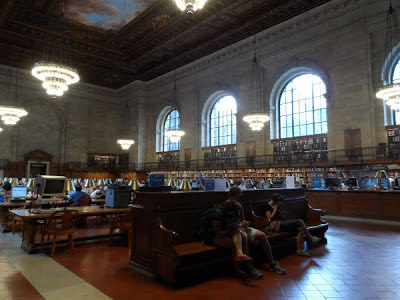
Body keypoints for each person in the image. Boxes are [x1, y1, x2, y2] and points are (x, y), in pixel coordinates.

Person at [225, 187, 286, 275]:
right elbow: (227, 224)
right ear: (235, 194)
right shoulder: (226, 206)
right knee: (244, 237)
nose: (241, 196)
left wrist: (245, 222)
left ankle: (272, 263)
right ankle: (249, 266)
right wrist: (239, 225)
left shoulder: (238, 205)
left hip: (243, 227)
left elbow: (242, 219)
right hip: (235, 230)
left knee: (262, 235)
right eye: (240, 194)